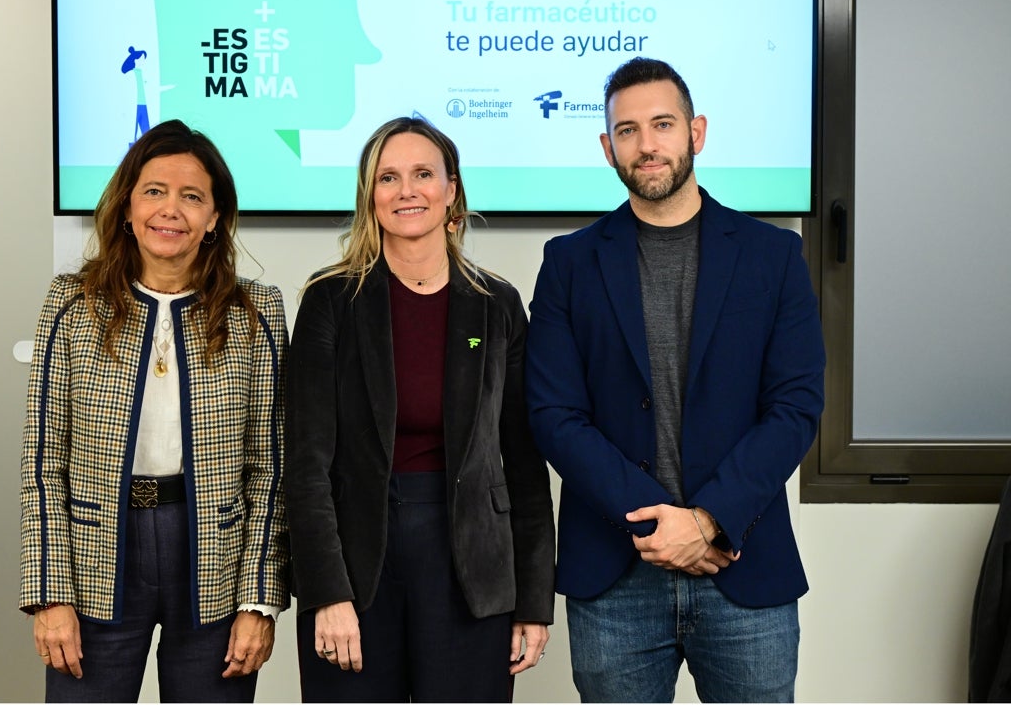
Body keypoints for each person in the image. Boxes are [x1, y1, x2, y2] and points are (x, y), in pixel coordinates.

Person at [525, 57, 826, 703]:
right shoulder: (568, 263)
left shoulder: (773, 256)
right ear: (608, 148)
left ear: (698, 132)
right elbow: (553, 414)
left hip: (742, 564)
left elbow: (796, 405)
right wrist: (658, 525)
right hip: (615, 577)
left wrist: (710, 519)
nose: (647, 144)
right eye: (627, 131)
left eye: (663, 124)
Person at [284, 116, 555, 702]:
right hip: (357, 568)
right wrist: (327, 594)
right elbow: (305, 466)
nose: (407, 190)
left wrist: (534, 601)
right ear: (369, 196)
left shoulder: (497, 305)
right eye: (388, 177)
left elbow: (526, 467)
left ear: (451, 189)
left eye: (423, 174)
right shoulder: (331, 300)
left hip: (472, 570)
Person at [19, 119, 289, 702]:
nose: (172, 210)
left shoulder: (257, 314)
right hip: (95, 559)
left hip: (213, 560)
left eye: (193, 196)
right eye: (154, 191)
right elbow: (42, 464)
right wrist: (49, 592)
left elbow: (270, 469)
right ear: (126, 206)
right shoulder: (71, 306)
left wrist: (258, 600)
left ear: (215, 218)